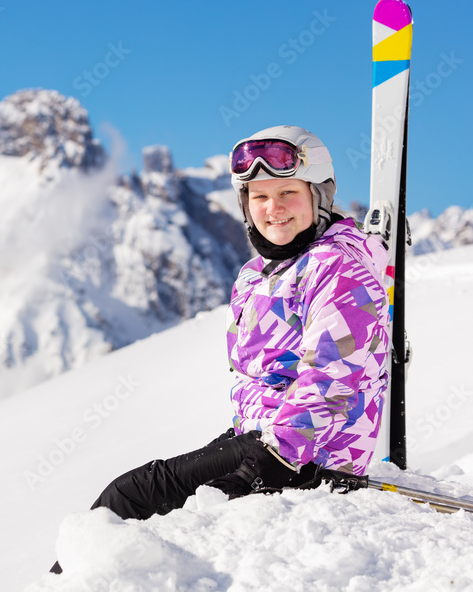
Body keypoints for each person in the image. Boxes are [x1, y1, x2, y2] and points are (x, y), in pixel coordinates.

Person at [50, 125, 391, 574]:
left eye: (288, 191)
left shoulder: (336, 267)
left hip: (306, 455)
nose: (274, 208)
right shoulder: (258, 274)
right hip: (261, 439)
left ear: (320, 195)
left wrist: (275, 458)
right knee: (135, 500)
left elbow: (332, 375)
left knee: (126, 500)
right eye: (259, 196)